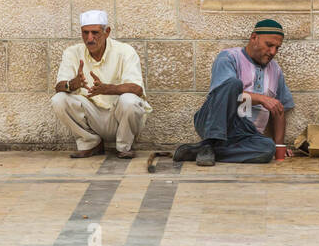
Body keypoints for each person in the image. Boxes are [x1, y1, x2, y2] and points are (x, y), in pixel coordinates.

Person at [174, 19, 293, 167]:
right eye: (269, 45)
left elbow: (279, 109)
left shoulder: (275, 70)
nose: (273, 52)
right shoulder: (229, 57)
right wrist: (262, 99)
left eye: (277, 48)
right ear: (254, 37)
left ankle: (202, 150)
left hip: (246, 133)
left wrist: (279, 146)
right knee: (233, 84)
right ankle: (211, 141)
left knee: (267, 149)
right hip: (214, 120)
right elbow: (224, 93)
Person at [51, 10, 150, 158]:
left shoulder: (125, 51)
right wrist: (72, 84)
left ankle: (124, 146)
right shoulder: (72, 53)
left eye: (95, 33)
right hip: (92, 116)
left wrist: (108, 89)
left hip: (118, 116)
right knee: (58, 99)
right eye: (85, 33)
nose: (90, 38)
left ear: (107, 32)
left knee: (130, 100)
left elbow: (136, 88)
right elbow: (59, 86)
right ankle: (91, 143)